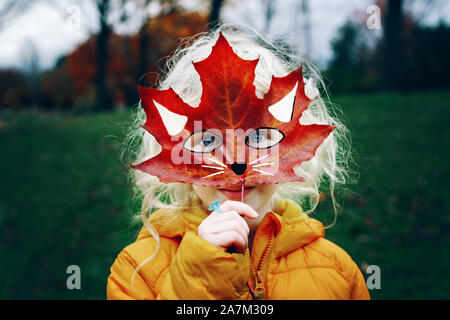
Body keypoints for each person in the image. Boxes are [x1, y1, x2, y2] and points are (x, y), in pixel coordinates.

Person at [106, 24, 370, 300]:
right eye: (207, 141)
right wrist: (201, 275)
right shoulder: (138, 271)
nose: (237, 162)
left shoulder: (338, 273)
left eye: (259, 138)